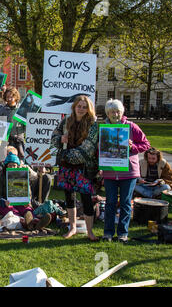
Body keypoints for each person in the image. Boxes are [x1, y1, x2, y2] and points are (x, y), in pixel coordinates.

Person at [101, 99, 151, 243]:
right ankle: (108, 233)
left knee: (125, 203)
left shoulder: (131, 127)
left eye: (117, 111)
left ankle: (123, 233)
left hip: (128, 172)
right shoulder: (104, 128)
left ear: (122, 112)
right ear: (108, 114)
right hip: (110, 171)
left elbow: (146, 144)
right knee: (110, 203)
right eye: (111, 112)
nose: (115, 114)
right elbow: (99, 150)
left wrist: (132, 146)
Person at [51, 95, 99, 241]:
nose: (81, 109)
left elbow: (88, 149)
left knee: (86, 198)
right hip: (67, 167)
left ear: (88, 109)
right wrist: (60, 139)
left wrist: (65, 154)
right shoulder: (66, 121)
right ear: (74, 107)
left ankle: (90, 231)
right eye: (79, 106)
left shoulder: (93, 124)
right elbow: (54, 138)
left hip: (84, 167)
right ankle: (72, 228)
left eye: (84, 107)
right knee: (69, 197)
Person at [0, 152, 54, 231]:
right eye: (10, 165)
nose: (12, 167)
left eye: (14, 165)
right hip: (5, 203)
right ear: (6, 166)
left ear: (17, 166)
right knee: (12, 211)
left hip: (19, 201)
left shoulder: (22, 175)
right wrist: (4, 202)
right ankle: (27, 223)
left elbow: (28, 192)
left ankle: (35, 222)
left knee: (27, 209)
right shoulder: (1, 177)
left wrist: (27, 200)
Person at [0, 87, 26, 161]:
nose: (9, 99)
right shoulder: (3, 109)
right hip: (7, 139)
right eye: (7, 97)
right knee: (8, 159)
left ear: (15, 97)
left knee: (21, 158)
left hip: (19, 138)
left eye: (11, 97)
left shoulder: (21, 108)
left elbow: (26, 124)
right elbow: (1, 124)